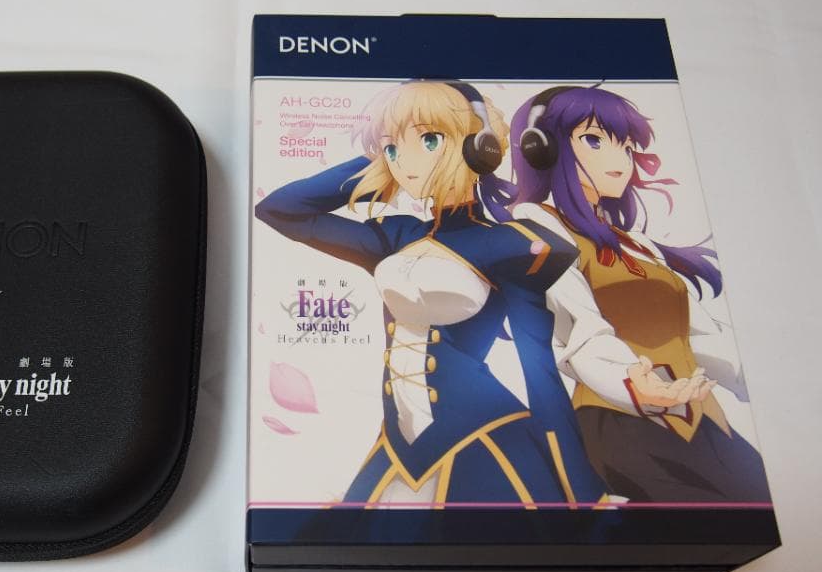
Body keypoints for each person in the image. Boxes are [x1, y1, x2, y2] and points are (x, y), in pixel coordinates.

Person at [255, 81, 607, 508]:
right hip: (397, 444)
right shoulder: (396, 235)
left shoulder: (509, 243)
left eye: (428, 140)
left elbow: (538, 367)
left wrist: (580, 492)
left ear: (479, 147)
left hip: (483, 433)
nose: (405, 162)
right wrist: (376, 162)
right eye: (392, 147)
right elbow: (280, 210)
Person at [508, 85, 770, 502]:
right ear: (541, 148)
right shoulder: (536, 224)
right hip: (618, 420)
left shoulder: (637, 244)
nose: (621, 159)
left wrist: (764, 380)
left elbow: (696, 335)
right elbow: (581, 332)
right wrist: (630, 382)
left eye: (627, 146)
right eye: (595, 140)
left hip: (701, 418)